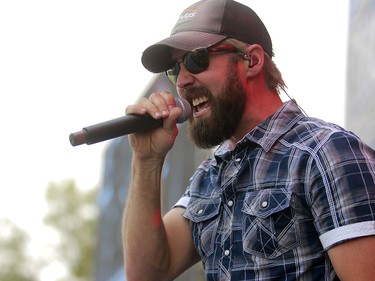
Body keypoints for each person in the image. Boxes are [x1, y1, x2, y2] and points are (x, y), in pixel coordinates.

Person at [122, 0, 375, 280]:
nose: (181, 81)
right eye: (175, 68)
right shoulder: (208, 177)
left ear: (252, 60)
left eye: (196, 59)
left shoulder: (326, 152)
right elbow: (147, 273)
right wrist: (146, 161)